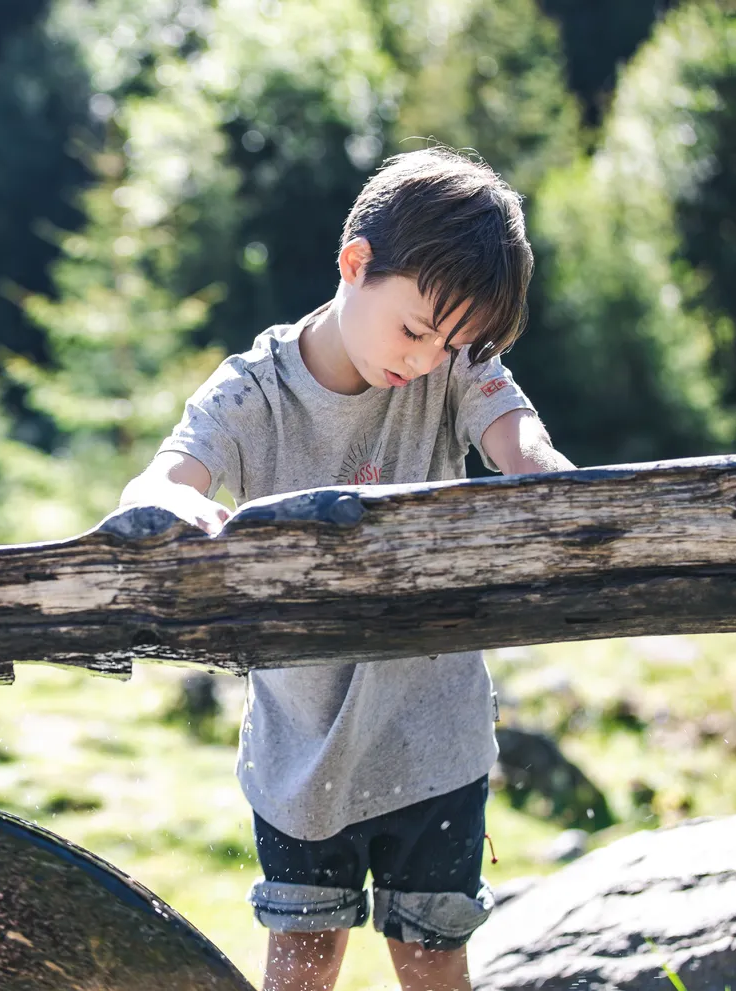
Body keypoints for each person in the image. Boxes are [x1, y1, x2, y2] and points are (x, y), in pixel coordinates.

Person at [118, 147, 575, 991]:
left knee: (434, 957)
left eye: (452, 342)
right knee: (301, 964)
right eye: (414, 329)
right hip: (300, 745)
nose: (427, 358)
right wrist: (176, 503)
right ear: (353, 263)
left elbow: (522, 442)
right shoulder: (251, 391)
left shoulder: (456, 366)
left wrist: (541, 478)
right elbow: (168, 472)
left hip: (434, 730)